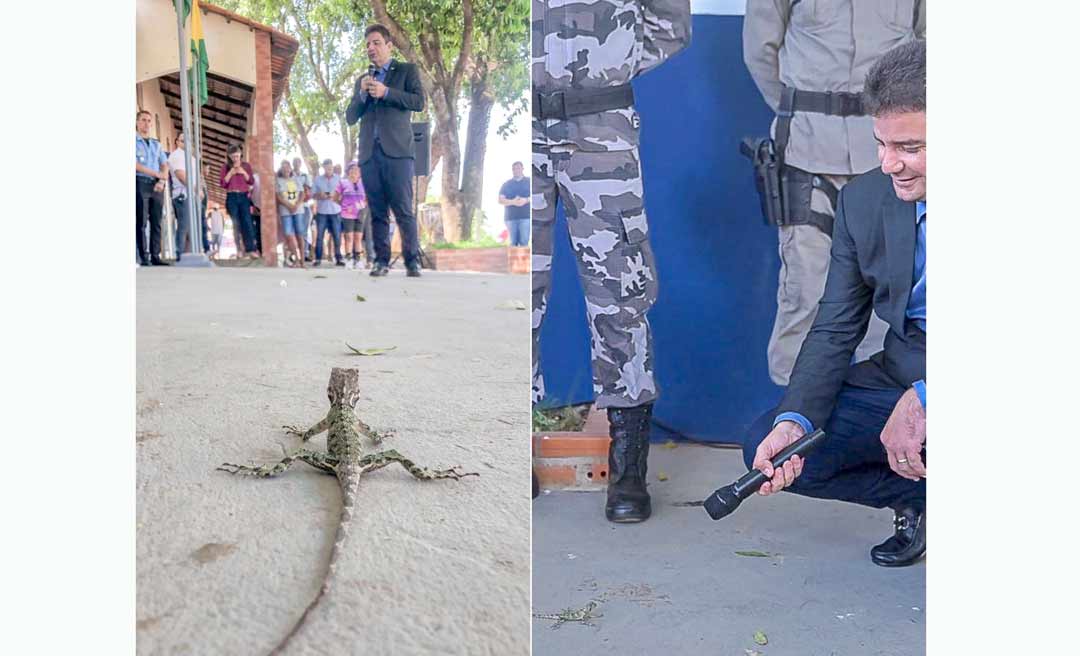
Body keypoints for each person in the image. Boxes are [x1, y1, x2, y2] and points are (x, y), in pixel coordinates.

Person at [741, 40, 927, 567]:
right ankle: (917, 497)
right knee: (773, 442)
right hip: (904, 364)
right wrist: (795, 422)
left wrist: (928, 395)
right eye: (881, 144)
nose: (890, 165)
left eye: (910, 147)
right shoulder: (864, 201)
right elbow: (835, 327)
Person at [532, 0, 691, 523]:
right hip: (518, 122)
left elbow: (670, 22)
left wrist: (607, 62)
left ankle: (627, 469)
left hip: (600, 125)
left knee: (618, 290)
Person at [744, 0, 925, 386]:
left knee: (890, 293)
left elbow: (929, 50)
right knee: (804, 292)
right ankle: (793, 420)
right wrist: (802, 110)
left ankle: (877, 416)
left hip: (885, 159)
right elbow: (759, 50)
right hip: (808, 154)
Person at [345, 23, 426, 278]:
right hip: (369, 154)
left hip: (398, 152)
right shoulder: (363, 79)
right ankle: (381, 260)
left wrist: (386, 92)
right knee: (377, 210)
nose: (371, 48)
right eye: (368, 44)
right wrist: (361, 95)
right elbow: (350, 117)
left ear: (389, 46)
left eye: (376, 42)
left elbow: (418, 102)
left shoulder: (406, 71)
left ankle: (412, 261)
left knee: (403, 208)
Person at [135, 109, 170, 266]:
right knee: (141, 222)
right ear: (136, 122)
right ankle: (144, 257)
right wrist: (157, 174)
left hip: (157, 186)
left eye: (149, 121)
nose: (147, 124)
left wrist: (161, 181)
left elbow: (165, 164)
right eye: (143, 120)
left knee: (156, 221)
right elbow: (136, 166)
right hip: (140, 183)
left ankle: (156, 256)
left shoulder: (156, 144)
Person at [220, 144, 259, 259]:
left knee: (247, 222)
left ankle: (250, 249)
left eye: (237, 156)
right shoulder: (225, 167)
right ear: (229, 156)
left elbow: (251, 181)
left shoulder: (246, 166)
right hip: (231, 196)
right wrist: (231, 173)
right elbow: (223, 183)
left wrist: (243, 172)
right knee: (236, 224)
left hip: (243, 196)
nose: (235, 158)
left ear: (240, 154)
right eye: (233, 156)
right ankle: (239, 250)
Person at [310, 159, 343, 267]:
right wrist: (320, 195)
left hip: (335, 211)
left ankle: (338, 258)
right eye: (327, 167)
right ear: (323, 168)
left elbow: (344, 194)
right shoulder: (317, 179)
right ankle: (318, 259)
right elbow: (313, 195)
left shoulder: (339, 179)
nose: (329, 169)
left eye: (331, 167)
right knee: (319, 236)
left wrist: (335, 195)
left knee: (337, 236)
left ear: (332, 167)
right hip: (322, 212)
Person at [336, 162, 369, 268]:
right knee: (349, 236)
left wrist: (364, 205)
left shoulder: (364, 183)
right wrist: (342, 205)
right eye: (352, 169)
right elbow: (335, 196)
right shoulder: (343, 182)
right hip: (347, 213)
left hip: (360, 213)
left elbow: (369, 196)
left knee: (358, 237)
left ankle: (358, 259)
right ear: (348, 171)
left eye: (357, 170)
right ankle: (348, 258)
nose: (354, 172)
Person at [167, 131, 193, 260]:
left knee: (190, 227)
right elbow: (181, 176)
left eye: (187, 140)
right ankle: (181, 254)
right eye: (182, 140)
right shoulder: (176, 155)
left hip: (190, 194)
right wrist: (195, 189)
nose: (185, 143)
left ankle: (188, 254)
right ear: (177, 141)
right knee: (184, 226)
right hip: (183, 195)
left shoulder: (189, 156)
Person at [276, 160, 306, 267]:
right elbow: (278, 196)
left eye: (287, 167)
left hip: (298, 210)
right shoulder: (278, 180)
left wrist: (296, 205)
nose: (285, 169)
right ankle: (296, 259)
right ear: (281, 170)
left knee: (299, 234)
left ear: (290, 168)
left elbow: (302, 194)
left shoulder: (296, 179)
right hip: (285, 211)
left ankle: (302, 260)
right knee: (288, 234)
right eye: (283, 168)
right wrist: (289, 206)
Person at [498, 161, 530, 246]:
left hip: (526, 217)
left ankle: (524, 259)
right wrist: (513, 202)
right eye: (514, 169)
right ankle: (514, 259)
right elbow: (500, 200)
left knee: (524, 242)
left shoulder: (529, 182)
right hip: (510, 218)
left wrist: (525, 200)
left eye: (518, 168)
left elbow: (537, 196)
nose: (516, 170)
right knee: (513, 243)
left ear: (522, 169)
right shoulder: (506, 184)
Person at [291, 157, 313, 261]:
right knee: (293, 231)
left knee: (303, 231)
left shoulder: (305, 176)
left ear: (300, 164)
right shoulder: (289, 175)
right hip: (292, 206)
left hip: (304, 206)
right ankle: (294, 254)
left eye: (298, 162)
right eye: (294, 162)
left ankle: (305, 253)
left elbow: (309, 190)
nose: (296, 164)